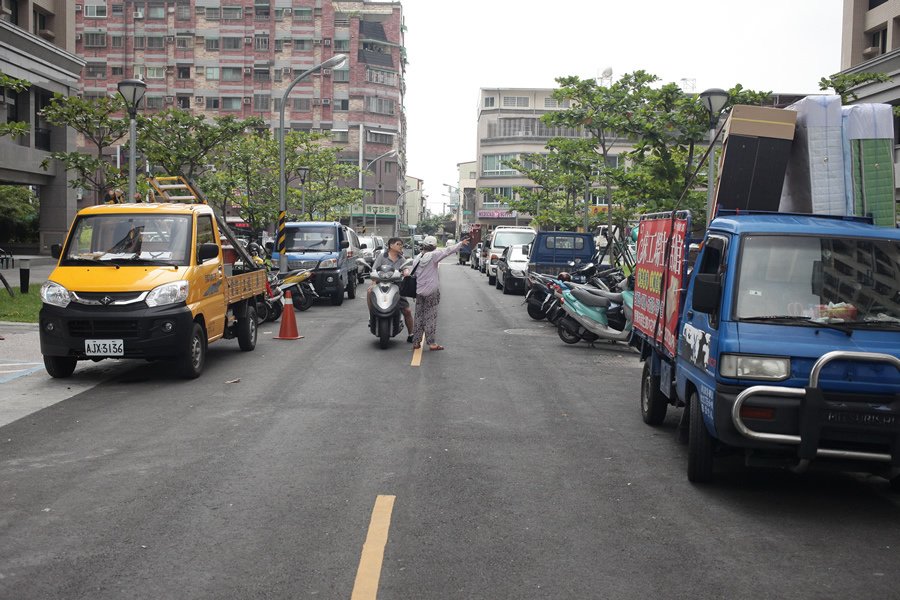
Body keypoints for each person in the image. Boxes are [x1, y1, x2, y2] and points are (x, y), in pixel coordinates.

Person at [410, 235, 470, 351]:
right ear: (434, 246)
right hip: (431, 291)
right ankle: (431, 343)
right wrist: (460, 244)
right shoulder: (434, 255)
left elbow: (416, 275)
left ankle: (416, 342)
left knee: (418, 316)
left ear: (423, 245)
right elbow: (447, 251)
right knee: (430, 316)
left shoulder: (417, 258)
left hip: (419, 291)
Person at [370, 237, 415, 342]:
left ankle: (411, 334)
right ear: (391, 245)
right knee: (369, 292)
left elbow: (406, 268)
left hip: (397, 286)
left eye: (401, 245)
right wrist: (373, 283)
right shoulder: (382, 256)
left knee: (407, 311)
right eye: (398, 244)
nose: (401, 246)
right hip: (380, 284)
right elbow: (374, 270)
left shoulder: (401, 259)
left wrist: (406, 272)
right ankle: (372, 311)